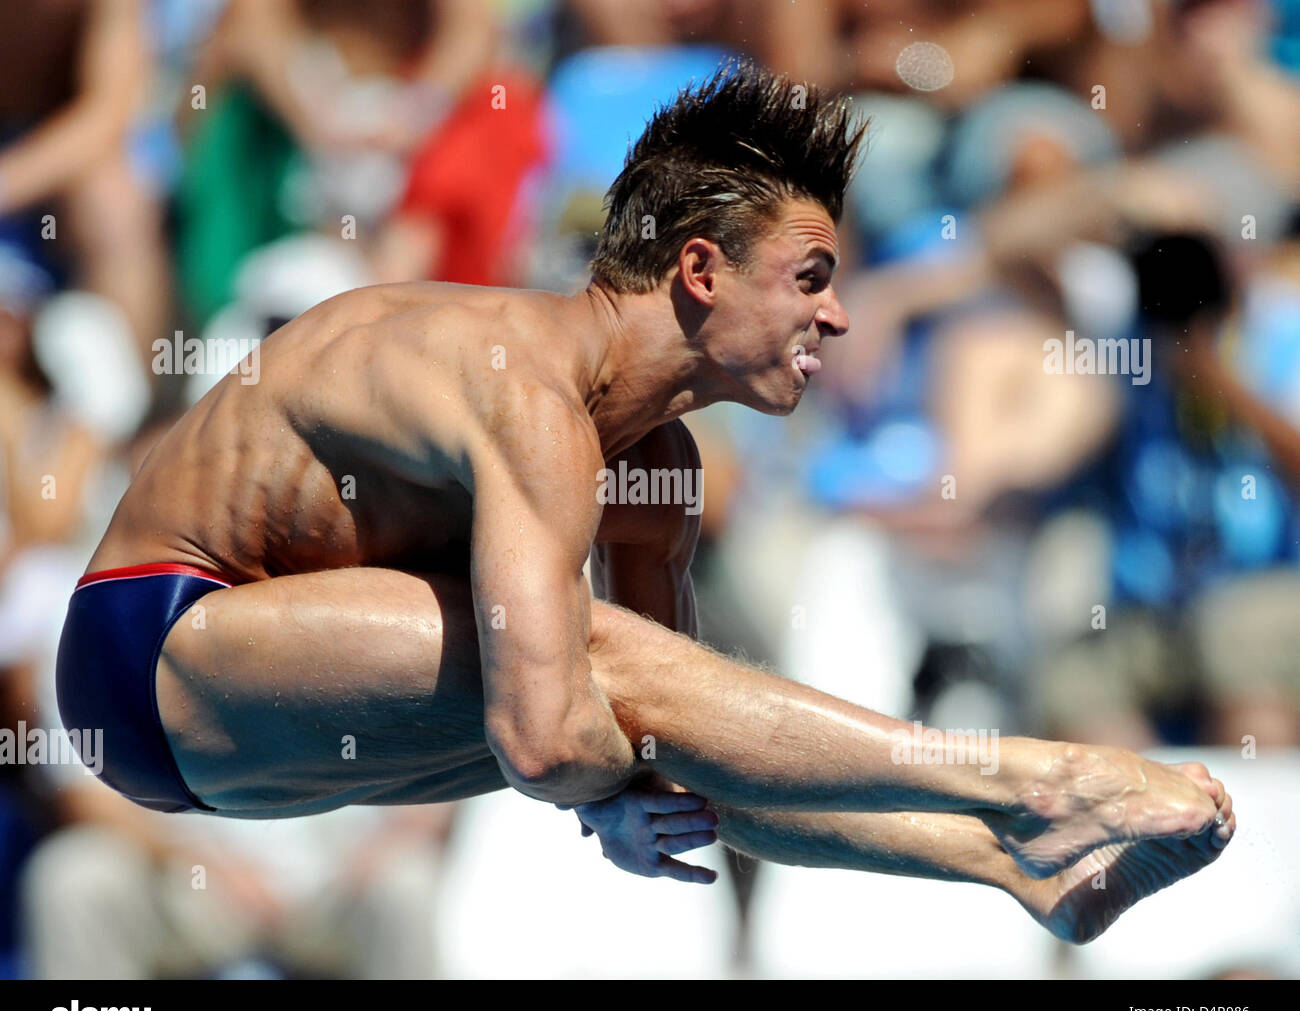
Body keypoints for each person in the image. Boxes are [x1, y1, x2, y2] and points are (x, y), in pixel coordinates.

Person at [58, 62, 1233, 945]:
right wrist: (601, 783)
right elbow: (550, 733)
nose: (834, 318)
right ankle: (1031, 781)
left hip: (272, 699)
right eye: (811, 279)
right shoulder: (523, 392)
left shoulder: (649, 468)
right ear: (701, 271)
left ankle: (1010, 866)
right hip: (148, 649)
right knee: (586, 658)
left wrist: (622, 789)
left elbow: (676, 752)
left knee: (647, 703)